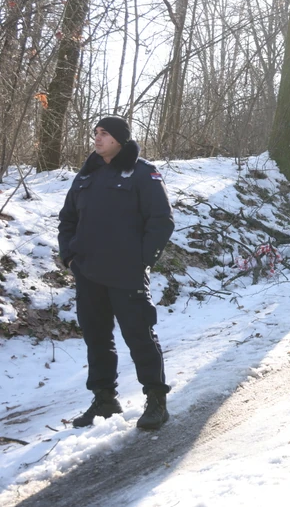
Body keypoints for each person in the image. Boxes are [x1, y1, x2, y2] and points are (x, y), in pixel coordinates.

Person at [57, 116, 175, 430]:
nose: (97, 138)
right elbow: (67, 219)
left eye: (104, 133)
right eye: (95, 133)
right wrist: (70, 256)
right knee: (96, 338)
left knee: (139, 337)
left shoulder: (141, 173)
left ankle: (155, 399)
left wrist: (141, 261)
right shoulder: (86, 176)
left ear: (119, 140)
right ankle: (104, 398)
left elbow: (161, 221)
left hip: (127, 274)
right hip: (89, 273)